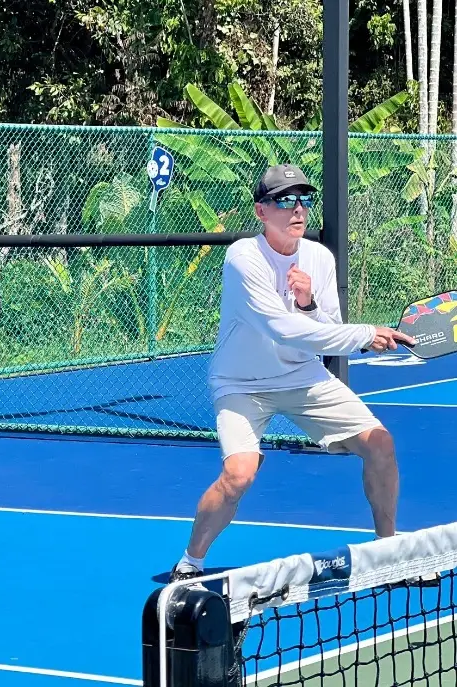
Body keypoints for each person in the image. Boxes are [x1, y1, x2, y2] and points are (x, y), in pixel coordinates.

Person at [169, 164, 414, 583]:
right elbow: (279, 329)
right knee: (239, 474)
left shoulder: (319, 257)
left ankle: (387, 551)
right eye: (284, 200)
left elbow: (326, 326)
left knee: (380, 444)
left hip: (303, 376)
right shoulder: (243, 258)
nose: (297, 209)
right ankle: (191, 561)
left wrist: (307, 303)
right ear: (261, 212)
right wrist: (364, 334)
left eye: (304, 199)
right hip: (241, 384)